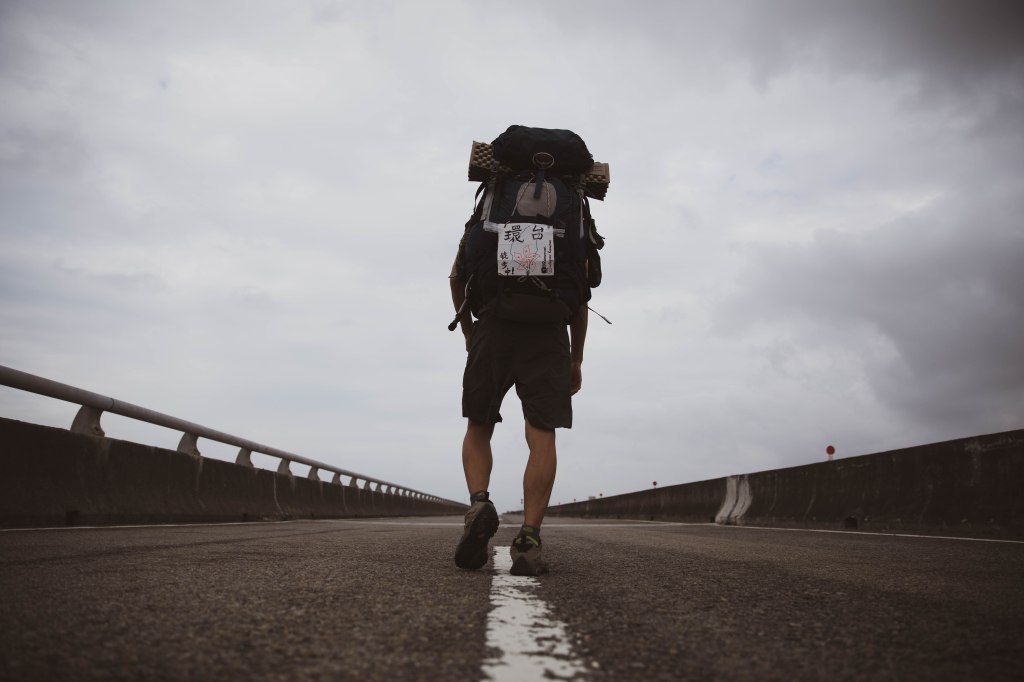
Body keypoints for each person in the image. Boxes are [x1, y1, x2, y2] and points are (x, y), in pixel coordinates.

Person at [449, 256, 588, 576]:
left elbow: (456, 278)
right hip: (549, 331)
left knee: (479, 424)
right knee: (542, 432)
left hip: (493, 324)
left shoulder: (487, 222)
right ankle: (528, 540)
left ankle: (479, 502)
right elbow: (581, 299)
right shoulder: (573, 226)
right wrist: (576, 359)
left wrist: (469, 332)